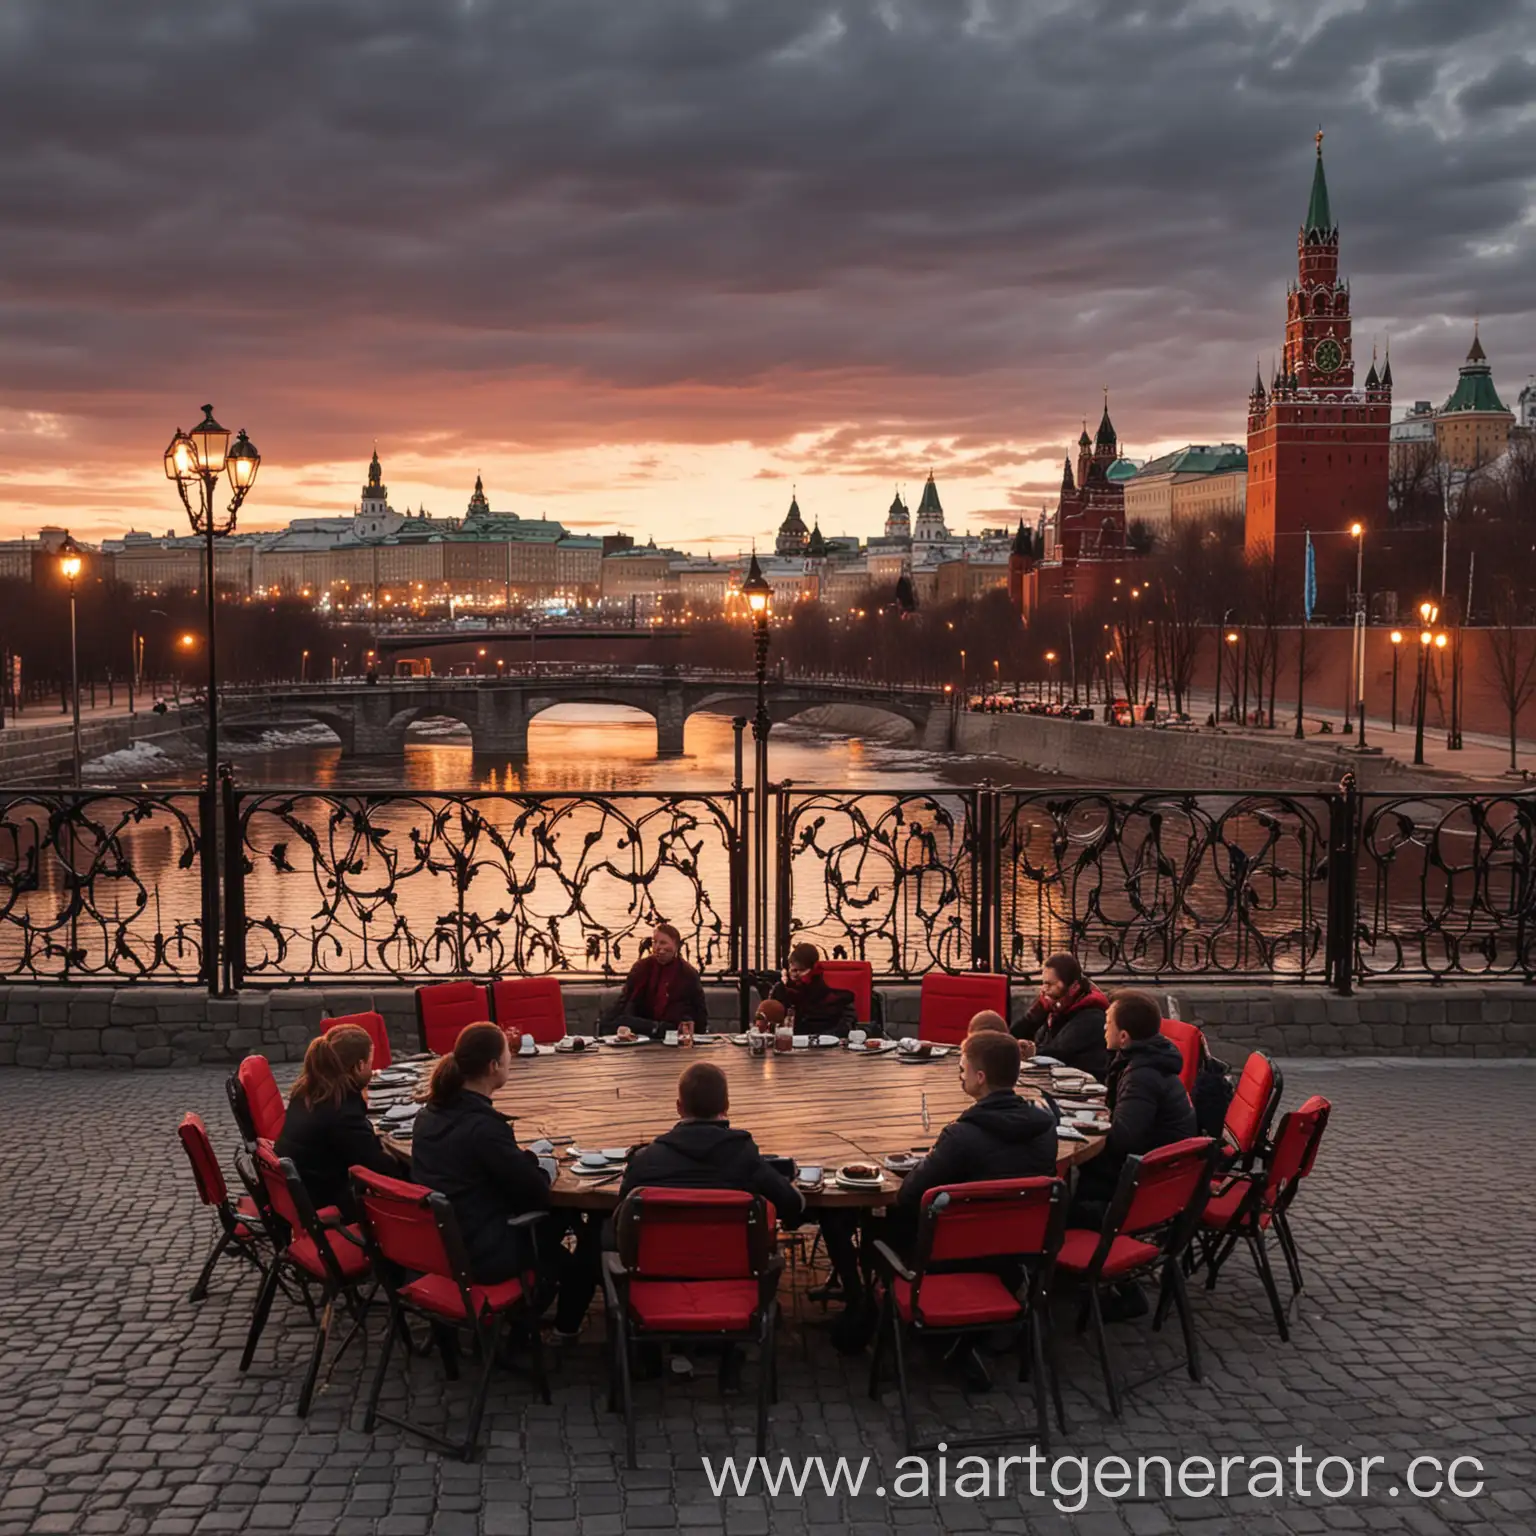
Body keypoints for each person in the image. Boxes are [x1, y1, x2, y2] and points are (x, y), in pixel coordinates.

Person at [820, 1033, 1058, 1361]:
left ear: (980, 1077)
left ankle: (863, 1309)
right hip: (1015, 1254)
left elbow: (907, 1196)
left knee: (870, 1223)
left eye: (962, 1070)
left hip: (951, 1257)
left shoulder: (962, 1136)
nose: (959, 1076)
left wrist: (934, 1156)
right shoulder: (1045, 1128)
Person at [412, 1022, 597, 1341]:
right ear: (493, 1066)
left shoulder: (429, 1114)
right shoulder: (484, 1128)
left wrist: (520, 1160)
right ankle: (556, 1328)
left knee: (562, 1219)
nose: (510, 1062)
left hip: (441, 1243)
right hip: (482, 1252)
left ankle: (527, 1320)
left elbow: (488, 1166)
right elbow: (535, 1193)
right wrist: (545, 1166)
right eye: (507, 1058)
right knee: (586, 1247)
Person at [1070, 990, 1199, 1317]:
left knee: (1060, 1202)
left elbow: (1125, 1137)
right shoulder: (1149, 1061)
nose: (1103, 1029)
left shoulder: (1141, 1075)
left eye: (1108, 1023)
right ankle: (1082, 1278)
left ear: (1123, 1036)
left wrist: (1089, 1123)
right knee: (1076, 1180)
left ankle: (1106, 1283)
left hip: (1142, 1192)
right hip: (1163, 1184)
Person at [619, 1062, 805, 1224]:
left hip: (659, 1262)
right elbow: (791, 1204)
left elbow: (621, 1213)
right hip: (731, 1260)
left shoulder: (645, 1160)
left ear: (679, 1107)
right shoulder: (744, 1155)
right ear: (726, 1106)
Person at [275, 1024, 402, 1220]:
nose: (372, 1068)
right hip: (327, 1201)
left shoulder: (308, 1089)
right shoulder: (343, 1109)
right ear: (359, 1066)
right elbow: (378, 1166)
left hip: (300, 1192)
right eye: (370, 1062)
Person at [1012, 952, 1112, 1079]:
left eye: (1050, 984)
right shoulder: (1055, 1006)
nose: (1043, 989)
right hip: (1059, 1079)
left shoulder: (1092, 1015)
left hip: (1085, 1086)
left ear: (1073, 987)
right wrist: (1036, 1012)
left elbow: (1059, 1051)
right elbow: (1016, 1033)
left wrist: (1031, 1051)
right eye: (1043, 983)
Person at [602, 923, 709, 1040]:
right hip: (644, 1027)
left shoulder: (688, 972)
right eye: (654, 942)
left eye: (663, 943)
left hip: (673, 1031)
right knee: (621, 1021)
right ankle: (656, 1028)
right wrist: (608, 1024)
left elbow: (699, 1009)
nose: (658, 947)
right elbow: (624, 1000)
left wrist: (699, 1036)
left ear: (676, 946)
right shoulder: (641, 967)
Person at [767, 943, 857, 1036]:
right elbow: (770, 1021)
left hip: (826, 1043)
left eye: (801, 970)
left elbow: (847, 1024)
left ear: (813, 968)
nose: (795, 975)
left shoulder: (832, 990)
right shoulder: (781, 990)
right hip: (790, 1041)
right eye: (792, 969)